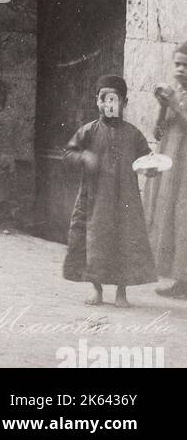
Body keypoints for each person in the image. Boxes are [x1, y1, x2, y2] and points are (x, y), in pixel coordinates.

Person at [63, 74, 157, 307]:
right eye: (104, 99)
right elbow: (69, 154)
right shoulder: (88, 131)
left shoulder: (133, 134)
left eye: (115, 100)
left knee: (125, 240)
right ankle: (97, 289)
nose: (109, 104)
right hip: (94, 198)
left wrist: (151, 168)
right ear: (97, 101)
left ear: (125, 103)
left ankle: (121, 293)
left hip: (126, 200)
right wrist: (83, 156)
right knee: (94, 240)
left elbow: (146, 159)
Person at [148, 42, 187, 299]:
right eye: (177, 64)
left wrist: (174, 102)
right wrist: (163, 106)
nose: (180, 69)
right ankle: (180, 279)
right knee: (172, 218)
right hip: (172, 166)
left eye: (186, 65)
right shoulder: (177, 93)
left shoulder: (179, 97)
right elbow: (158, 132)